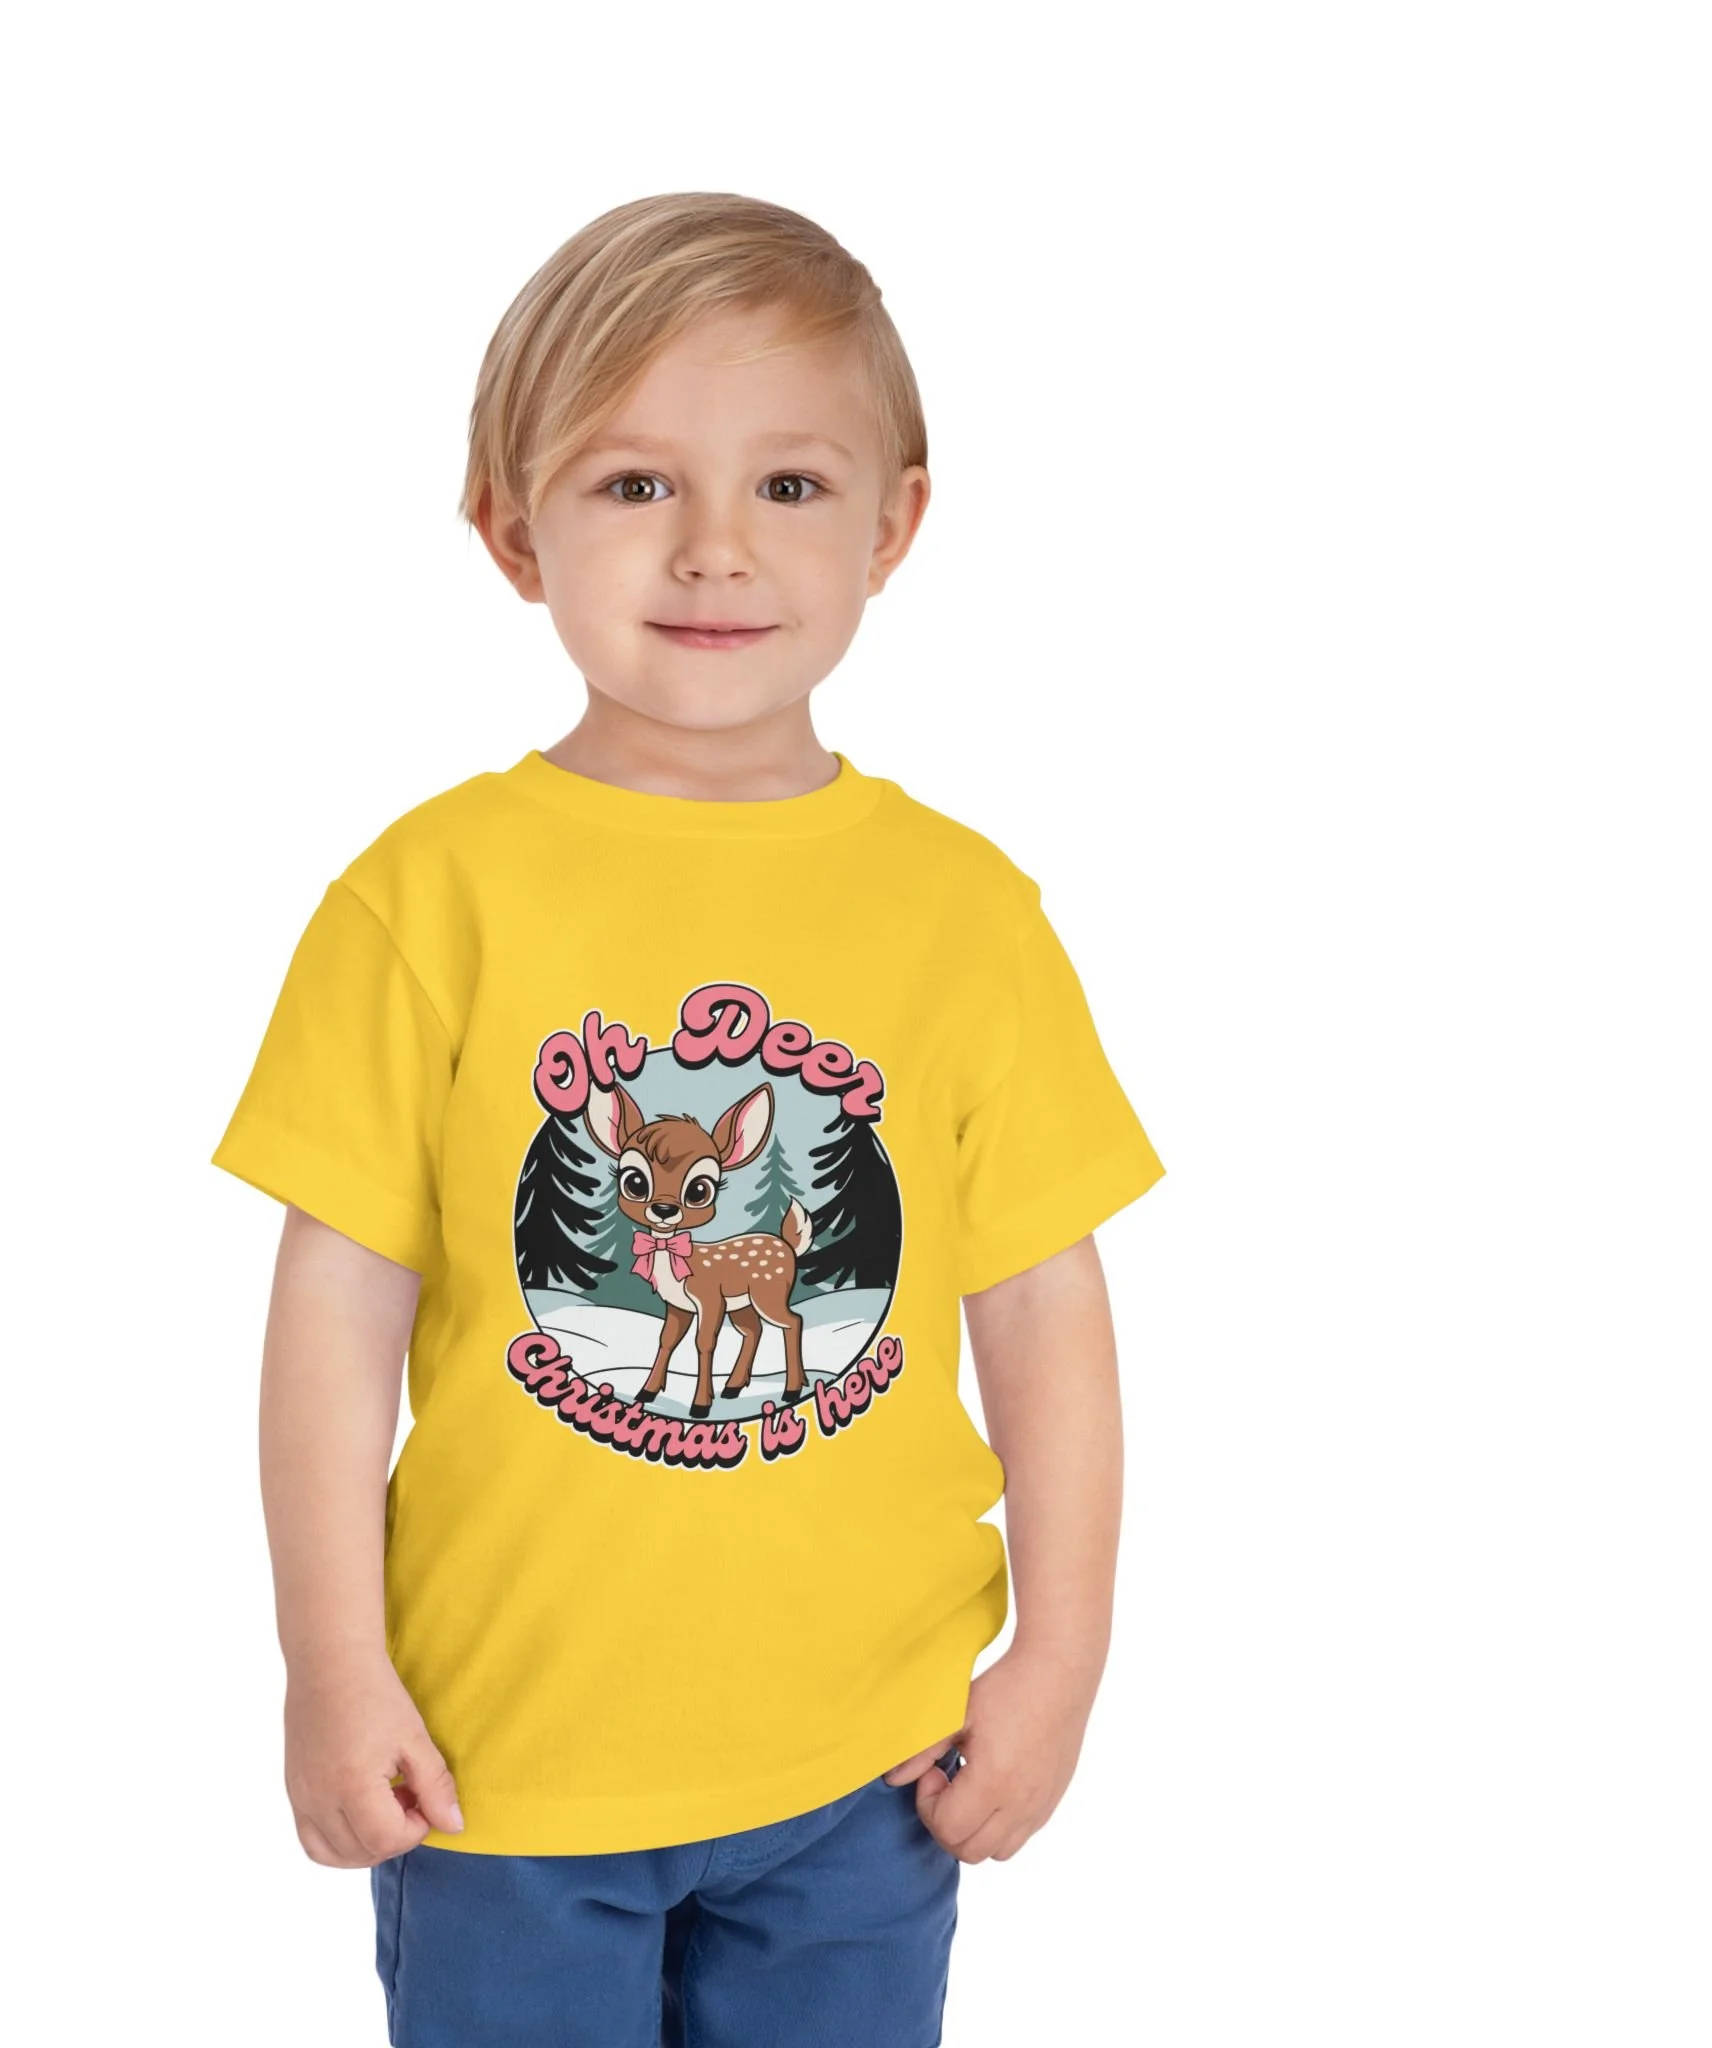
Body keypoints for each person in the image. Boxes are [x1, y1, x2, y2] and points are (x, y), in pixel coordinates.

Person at [211, 191, 1166, 2048]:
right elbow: (332, 1311)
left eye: (790, 485)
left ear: (892, 526)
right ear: (515, 529)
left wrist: (1063, 1653)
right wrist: (331, 1663)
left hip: (869, 1757)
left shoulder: (966, 915)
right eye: (636, 483)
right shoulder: (428, 900)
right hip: (501, 1759)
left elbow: (1047, 1302)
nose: (717, 547)